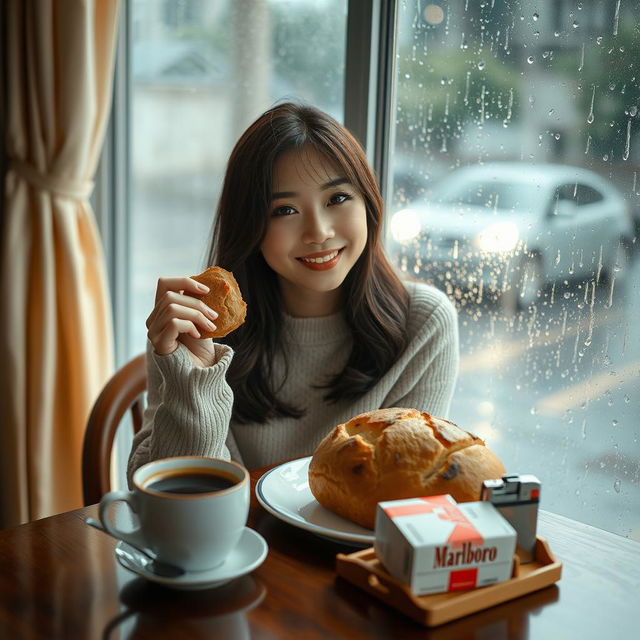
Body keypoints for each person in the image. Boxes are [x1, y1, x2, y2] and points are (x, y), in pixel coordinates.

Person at [127, 102, 459, 480]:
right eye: (284, 210)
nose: (318, 232)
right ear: (250, 226)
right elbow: (172, 505)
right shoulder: (191, 325)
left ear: (369, 202)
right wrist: (196, 378)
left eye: (337, 199)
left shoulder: (423, 323)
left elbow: (406, 486)